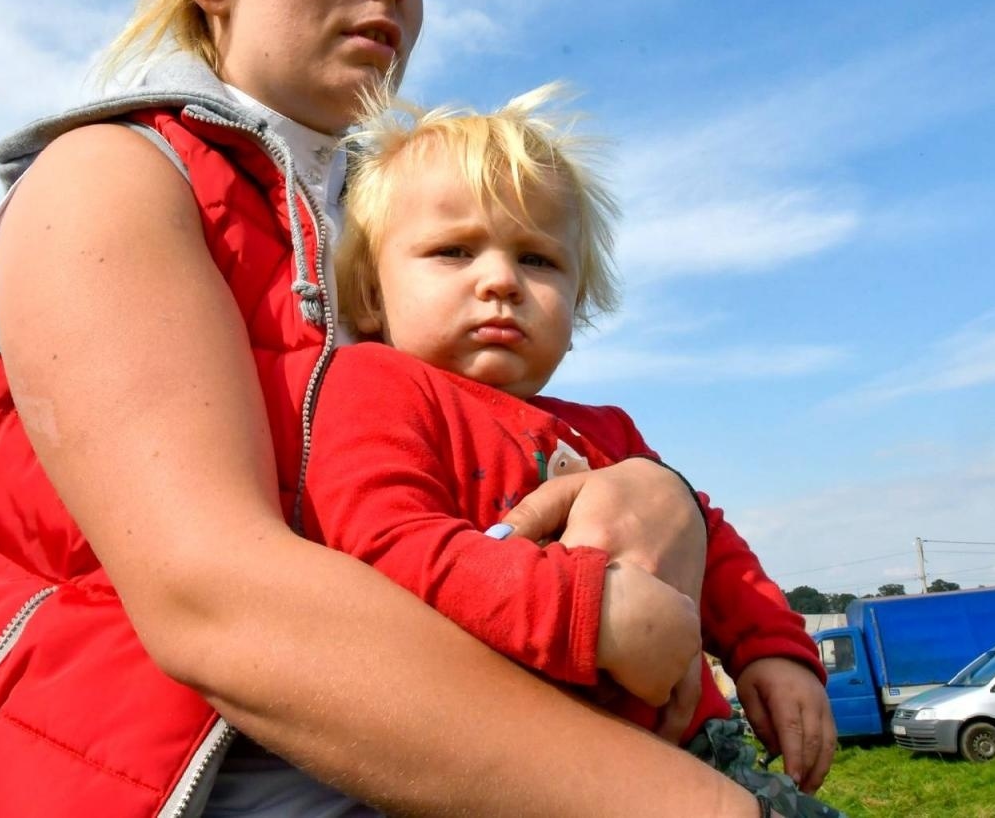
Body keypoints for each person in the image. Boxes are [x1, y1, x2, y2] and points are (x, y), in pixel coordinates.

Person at [0, 0, 765, 818]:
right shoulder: (111, 176)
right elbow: (208, 595)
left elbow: (499, 462)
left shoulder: (404, 220)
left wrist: (655, 500)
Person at [302, 88, 840, 814]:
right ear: (369, 292)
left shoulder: (607, 432)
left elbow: (711, 545)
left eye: (539, 260)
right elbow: (386, 549)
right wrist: (594, 612)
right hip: (522, 764)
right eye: (452, 251)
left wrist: (771, 649)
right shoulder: (376, 385)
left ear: (579, 296)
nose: (500, 281)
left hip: (698, 754)